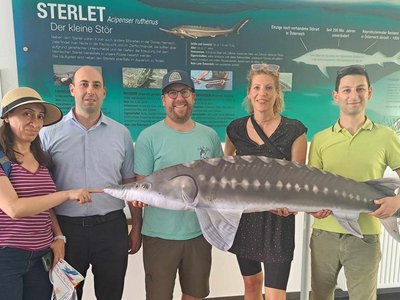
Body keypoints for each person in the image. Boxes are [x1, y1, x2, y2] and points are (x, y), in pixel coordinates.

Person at [40, 66, 142, 300]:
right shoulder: (49, 133)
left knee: (111, 294)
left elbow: (130, 185)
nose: (90, 90)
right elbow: (42, 189)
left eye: (96, 85)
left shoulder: (121, 134)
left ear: (104, 92)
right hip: (67, 232)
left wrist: (136, 227)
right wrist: (55, 235)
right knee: (67, 296)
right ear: (72, 89)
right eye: (84, 84)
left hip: (111, 230)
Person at [308, 65, 400, 300]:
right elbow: (311, 189)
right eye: (346, 90)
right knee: (320, 296)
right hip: (324, 236)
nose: (353, 95)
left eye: (360, 89)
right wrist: (313, 209)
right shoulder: (320, 139)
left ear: (369, 92)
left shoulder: (386, 136)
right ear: (336, 96)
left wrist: (396, 200)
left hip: (366, 236)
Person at [133, 70, 223, 300]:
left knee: (195, 294)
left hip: (199, 233)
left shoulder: (210, 136)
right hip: (159, 235)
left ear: (194, 97)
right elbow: (139, 189)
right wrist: (135, 228)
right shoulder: (148, 137)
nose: (179, 98)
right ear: (163, 100)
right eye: (172, 93)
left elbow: (218, 183)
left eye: (184, 91)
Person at [0, 87, 93, 300]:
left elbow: (45, 205)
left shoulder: (42, 160)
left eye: (39, 116)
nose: (35, 122)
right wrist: (67, 195)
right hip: (7, 256)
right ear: (7, 117)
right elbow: (14, 208)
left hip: (42, 257)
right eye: (27, 114)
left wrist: (58, 236)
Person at [224, 63, 307, 300]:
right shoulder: (235, 129)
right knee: (251, 286)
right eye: (257, 87)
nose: (263, 93)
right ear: (249, 92)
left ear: (277, 93)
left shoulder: (295, 130)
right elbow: (226, 174)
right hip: (246, 218)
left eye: (269, 88)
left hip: (278, 221)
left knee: (274, 295)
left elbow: (298, 179)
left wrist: (288, 203)